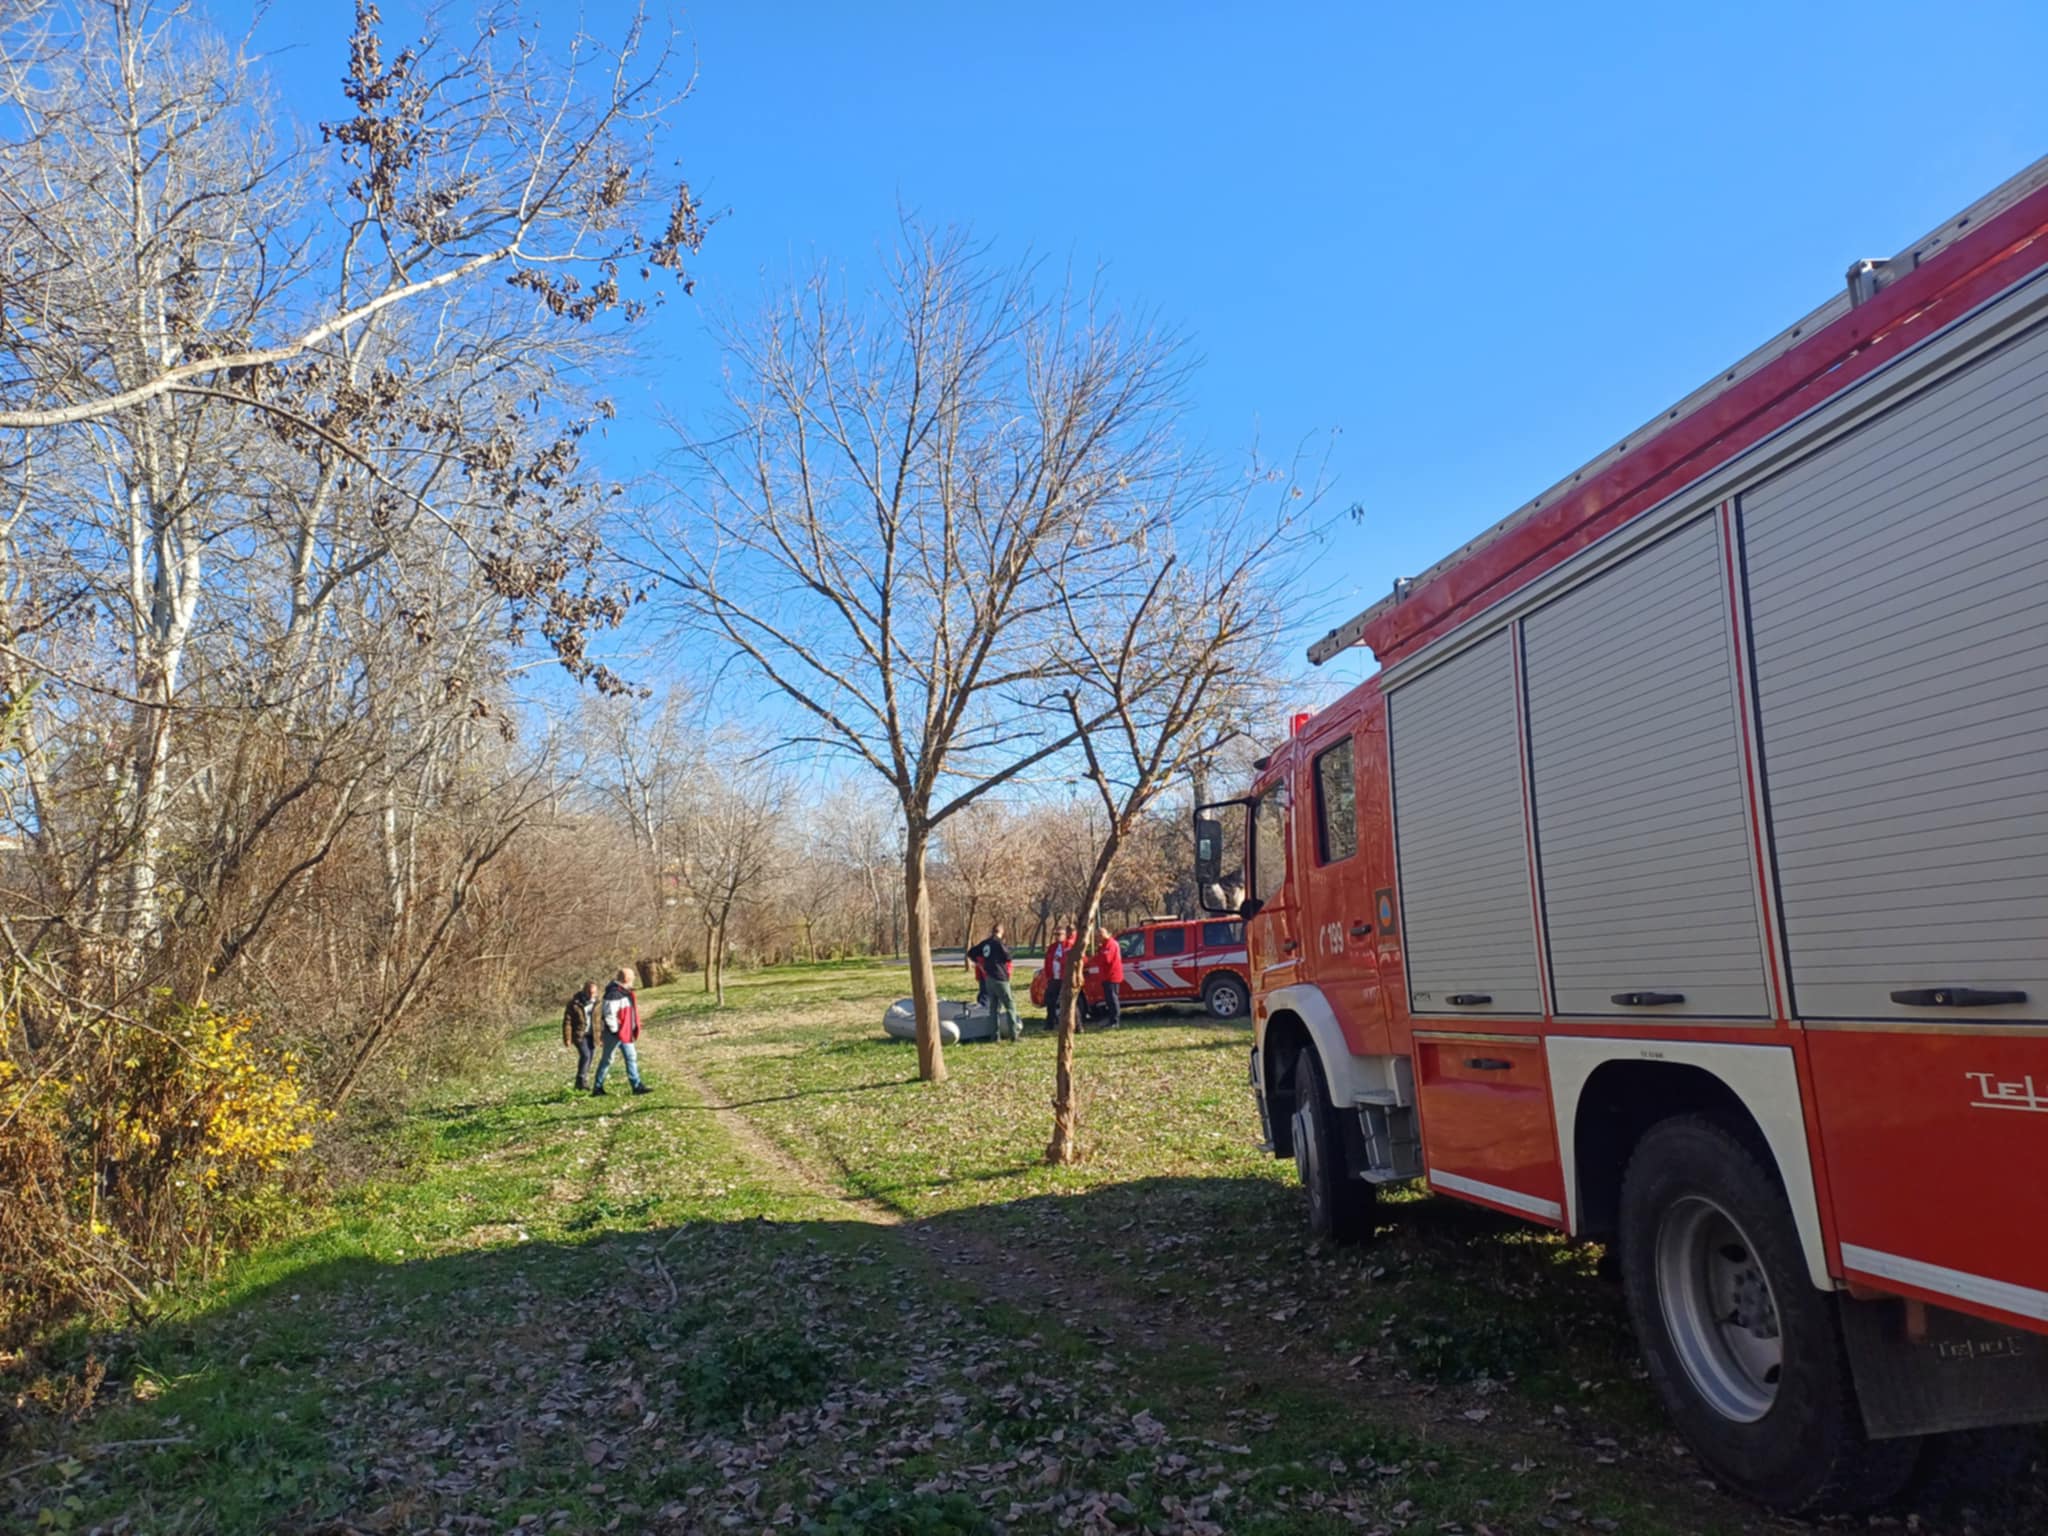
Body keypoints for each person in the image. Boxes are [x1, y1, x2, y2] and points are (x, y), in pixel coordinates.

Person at [593, 967, 650, 1096]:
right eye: (632, 977)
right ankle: (597, 1087)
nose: (634, 979)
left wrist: (633, 1025)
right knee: (607, 1059)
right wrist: (615, 1030)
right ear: (626, 979)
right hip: (615, 1034)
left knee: (631, 1057)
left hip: (625, 1032)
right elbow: (609, 1014)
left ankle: (637, 1086)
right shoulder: (613, 993)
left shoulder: (624, 991)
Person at [967, 922, 1020, 1042]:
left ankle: (994, 1036)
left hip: (988, 979)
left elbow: (971, 953)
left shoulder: (985, 943)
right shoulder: (998, 943)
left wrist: (980, 963)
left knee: (993, 1009)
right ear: (1002, 932)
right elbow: (1008, 957)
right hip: (1000, 978)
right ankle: (1014, 1035)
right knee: (1010, 1006)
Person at [563, 980, 600, 1090]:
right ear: (584, 991)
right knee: (585, 1055)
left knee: (590, 1057)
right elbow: (567, 1022)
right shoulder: (574, 1003)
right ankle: (580, 1080)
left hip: (593, 1035)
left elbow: (601, 1020)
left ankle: (583, 1079)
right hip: (579, 1034)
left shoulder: (598, 1003)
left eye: (593, 993)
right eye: (589, 992)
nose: (591, 995)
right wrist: (567, 1038)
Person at [1044, 921, 1075, 1030]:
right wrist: (1048, 975)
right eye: (1055, 935)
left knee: (1068, 1001)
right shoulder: (1052, 947)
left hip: (1065, 978)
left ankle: (1077, 1024)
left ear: (1065, 935)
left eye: (1059, 934)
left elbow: (1071, 961)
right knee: (1050, 1001)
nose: (1057, 937)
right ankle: (1050, 1023)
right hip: (1054, 978)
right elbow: (1047, 962)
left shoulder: (1069, 946)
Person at [1093, 925, 1125, 1030]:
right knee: (1109, 1000)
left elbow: (1106, 959)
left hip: (1112, 976)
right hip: (1106, 977)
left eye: (1099, 935)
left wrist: (1099, 953)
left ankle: (1116, 1021)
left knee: (1113, 999)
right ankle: (1111, 1020)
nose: (1098, 938)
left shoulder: (1111, 944)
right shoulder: (1104, 945)